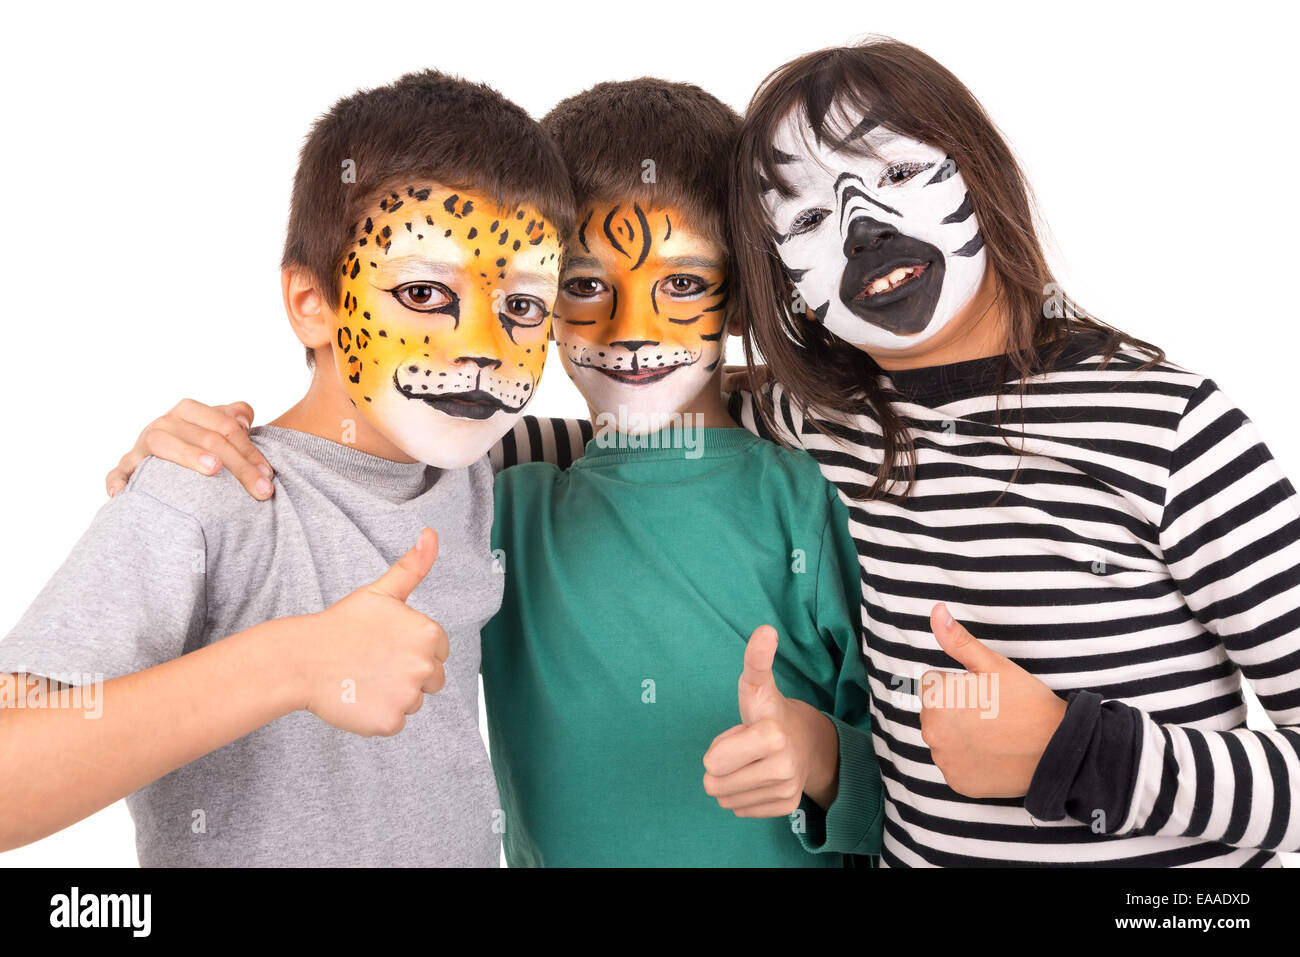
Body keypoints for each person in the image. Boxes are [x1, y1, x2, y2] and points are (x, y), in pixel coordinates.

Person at [101, 79, 885, 867]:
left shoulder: (811, 498)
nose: (632, 330)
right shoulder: (496, 499)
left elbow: (916, 785)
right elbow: (372, 457)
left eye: (681, 284)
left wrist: (819, 757)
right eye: (582, 287)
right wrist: (226, 448)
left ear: (740, 295)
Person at [725, 37, 1300, 865]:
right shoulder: (826, 425)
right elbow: (625, 431)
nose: (863, 229)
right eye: (811, 218)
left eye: (894, 174)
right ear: (789, 290)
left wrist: (1075, 754)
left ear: (981, 174)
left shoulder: (1168, 425)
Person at [0, 69, 573, 866]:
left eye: (521, 306)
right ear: (313, 302)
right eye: (423, 292)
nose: (483, 345)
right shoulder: (207, 486)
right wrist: (289, 662)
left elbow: (682, 426)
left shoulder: (485, 462)